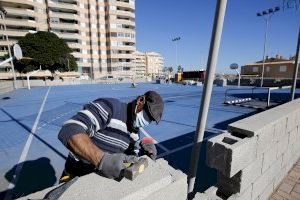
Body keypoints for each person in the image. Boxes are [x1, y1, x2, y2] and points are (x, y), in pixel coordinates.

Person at [58, 91, 164, 182]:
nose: (147, 121)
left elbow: (130, 159)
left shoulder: (135, 134)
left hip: (98, 183)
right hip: (75, 176)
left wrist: (146, 150)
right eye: (147, 115)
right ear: (140, 101)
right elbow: (70, 129)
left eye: (151, 119)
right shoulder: (110, 108)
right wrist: (101, 159)